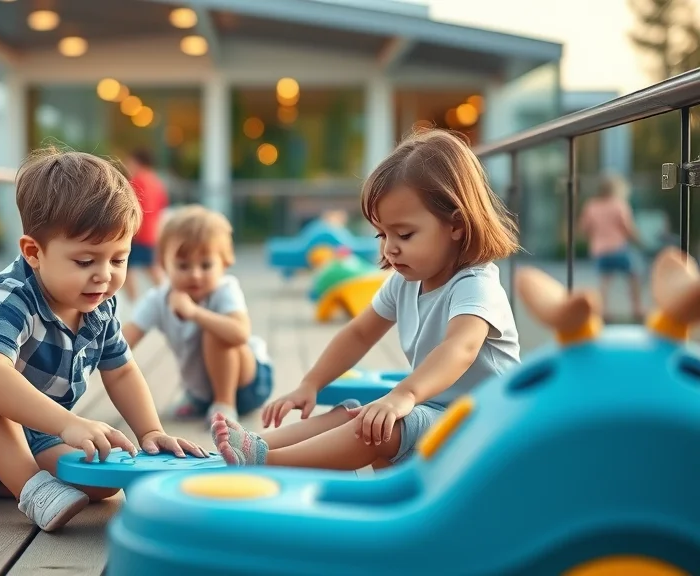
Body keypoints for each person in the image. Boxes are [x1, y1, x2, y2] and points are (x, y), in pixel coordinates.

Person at [0, 148, 204, 533]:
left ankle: (7, 478)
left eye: (118, 260)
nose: (104, 275)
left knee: (102, 480)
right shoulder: (11, 298)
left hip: (25, 431)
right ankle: (32, 489)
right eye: (85, 261)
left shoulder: (98, 304)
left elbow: (121, 371)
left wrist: (151, 432)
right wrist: (68, 423)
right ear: (34, 252)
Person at [210, 128, 522, 470]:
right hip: (436, 413)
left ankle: (269, 462)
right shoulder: (405, 282)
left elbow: (460, 348)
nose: (390, 248)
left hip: (484, 425)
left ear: (456, 225)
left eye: (404, 234)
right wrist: (310, 384)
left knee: (376, 428)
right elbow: (359, 333)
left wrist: (404, 395)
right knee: (350, 415)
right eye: (382, 235)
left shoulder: (476, 285)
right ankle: (257, 445)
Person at [122, 205, 274, 424]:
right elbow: (124, 339)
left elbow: (240, 333)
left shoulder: (225, 289)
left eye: (206, 265)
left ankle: (225, 404)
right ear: (164, 264)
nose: (195, 274)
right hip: (201, 389)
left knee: (215, 330)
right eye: (183, 266)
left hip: (247, 385)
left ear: (225, 262)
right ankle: (201, 399)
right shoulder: (159, 298)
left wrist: (194, 313)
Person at [577, 172, 645, 322]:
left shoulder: (591, 206)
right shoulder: (619, 205)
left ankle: (602, 312)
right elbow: (627, 228)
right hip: (618, 248)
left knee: (604, 281)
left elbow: (584, 228)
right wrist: (639, 240)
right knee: (634, 275)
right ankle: (637, 309)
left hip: (600, 250)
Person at [123, 148, 168, 301]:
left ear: (137, 162)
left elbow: (132, 207)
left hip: (138, 232)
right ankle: (166, 294)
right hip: (152, 232)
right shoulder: (156, 181)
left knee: (125, 268)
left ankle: (134, 302)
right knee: (151, 267)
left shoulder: (138, 180)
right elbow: (162, 206)